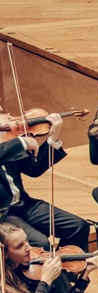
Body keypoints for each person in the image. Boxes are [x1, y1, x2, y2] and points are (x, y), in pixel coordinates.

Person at [0, 96, 89, 252]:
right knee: (41, 244)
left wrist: (53, 138)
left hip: (24, 204)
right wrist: (22, 142)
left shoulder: (6, 138)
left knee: (78, 226)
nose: (1, 110)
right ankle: (47, 267)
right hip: (3, 213)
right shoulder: (10, 145)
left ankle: (68, 267)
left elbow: (33, 169)